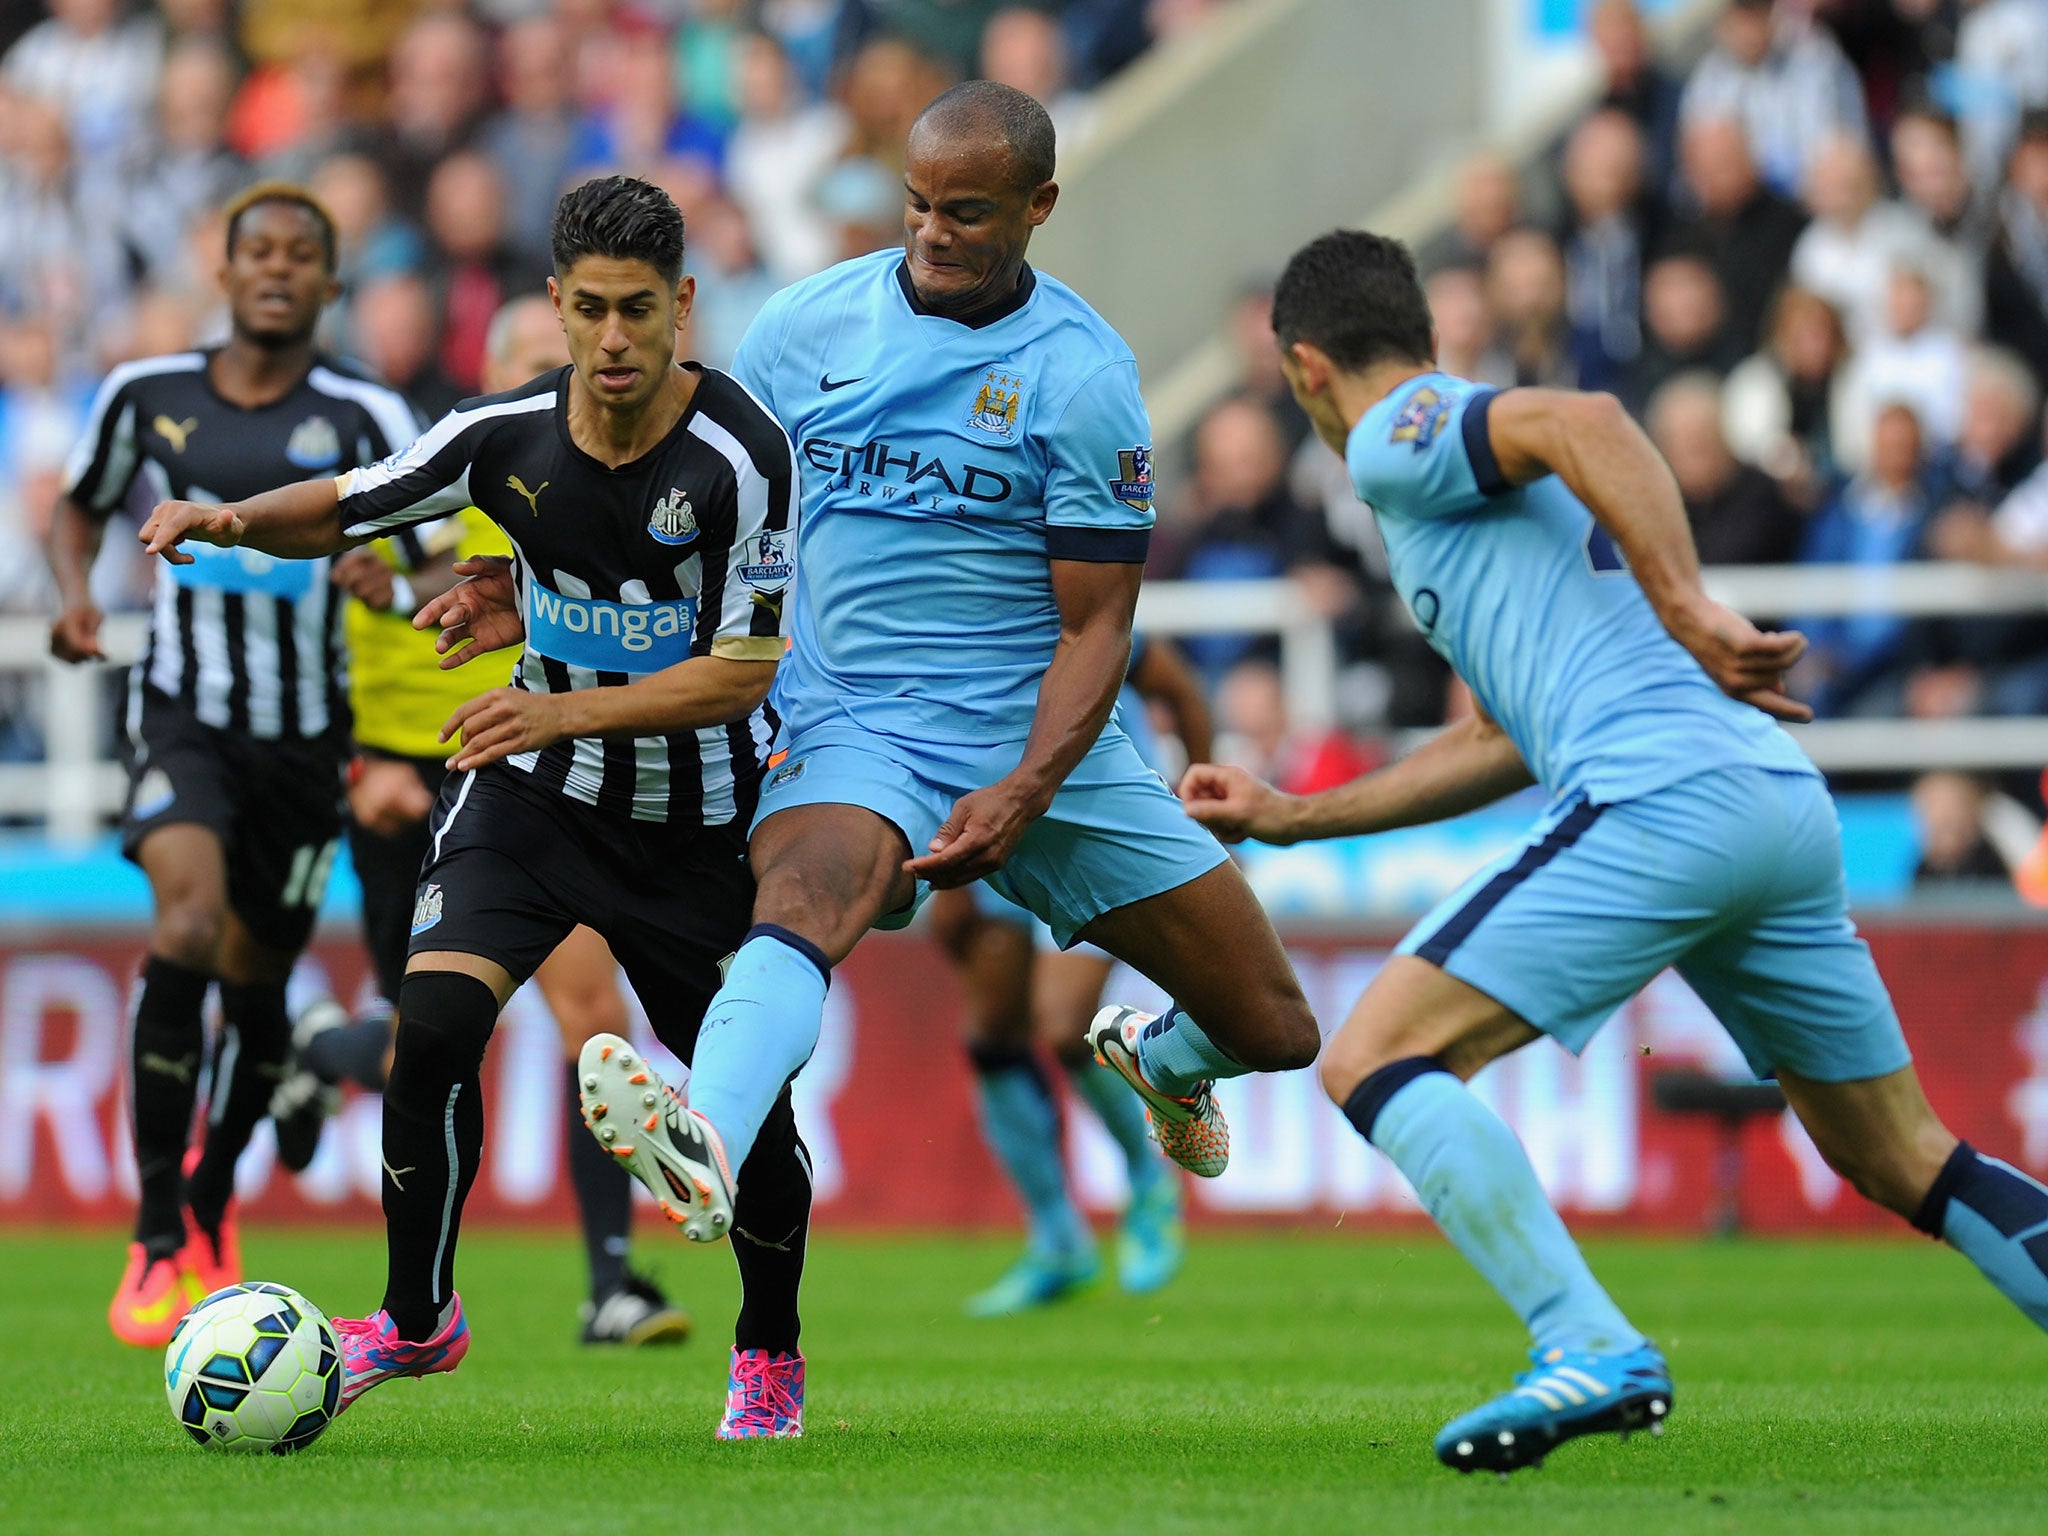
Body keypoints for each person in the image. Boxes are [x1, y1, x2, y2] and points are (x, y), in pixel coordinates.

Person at [1181, 228, 2048, 1475]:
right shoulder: (1471, 496)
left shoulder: (1390, 434)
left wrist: (1692, 607)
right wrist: (1291, 813)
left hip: (1663, 799)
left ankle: (1585, 1343)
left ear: (1304, 368)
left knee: (1376, 1051)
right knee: (1898, 1154)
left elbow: (1586, 417)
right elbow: (1495, 740)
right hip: (1766, 798)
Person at [517, 84, 1318, 1402]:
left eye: (969, 212)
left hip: (1046, 744)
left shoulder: (1084, 375)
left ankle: (1158, 1060)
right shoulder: (805, 326)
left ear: (1038, 209)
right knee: (801, 905)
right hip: (855, 720)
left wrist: (1025, 791)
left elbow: (1101, 624)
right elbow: (689, 482)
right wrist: (544, 569)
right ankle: (700, 1139)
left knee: (1277, 1025)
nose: (933, 234)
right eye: (917, 204)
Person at [136, 175, 809, 1438]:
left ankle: (767, 1346)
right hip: (532, 798)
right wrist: (233, 519)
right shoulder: (500, 434)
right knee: (435, 1020)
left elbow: (742, 670)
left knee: (750, 1120)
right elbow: (348, 502)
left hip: (696, 825)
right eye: (593, 310)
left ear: (685, 308)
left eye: (641, 313)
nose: (615, 341)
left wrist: (557, 702)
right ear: (556, 304)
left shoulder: (741, 455)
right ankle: (415, 1320)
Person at [279, 293, 693, 1348]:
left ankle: (610, 1285)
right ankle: (325, 1051)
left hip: (546, 778)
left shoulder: (622, 496)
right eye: (526, 362)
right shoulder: (441, 479)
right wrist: (356, 769)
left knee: (590, 1015)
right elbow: (350, 615)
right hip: (408, 784)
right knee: (432, 1046)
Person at [45, 183, 418, 1349]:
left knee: (259, 1004)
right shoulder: (143, 395)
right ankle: (157, 1232)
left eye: (299, 254)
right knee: (189, 925)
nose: (274, 268)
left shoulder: (366, 413)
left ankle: (209, 1204)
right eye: (255, 249)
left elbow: (444, 558)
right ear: (224, 269)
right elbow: (82, 507)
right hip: (183, 718)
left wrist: (390, 584)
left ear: (329, 283)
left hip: (309, 749)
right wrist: (72, 600)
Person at [931, 633, 1211, 1316]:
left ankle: (1148, 1180)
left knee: (1063, 1029)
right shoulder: (940, 626)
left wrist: (1202, 794)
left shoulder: (1060, 611)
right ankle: (1057, 1238)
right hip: (1000, 836)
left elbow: (1172, 682)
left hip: (1095, 829)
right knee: (992, 1038)